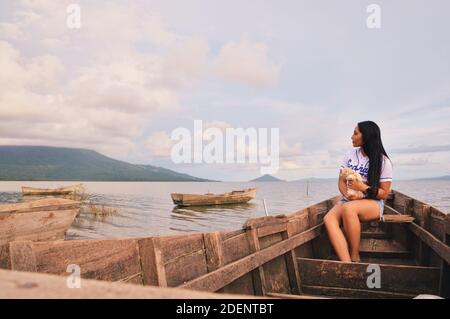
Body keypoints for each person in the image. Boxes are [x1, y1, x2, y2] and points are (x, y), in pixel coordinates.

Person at [323, 121, 393, 262]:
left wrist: (362, 187)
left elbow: (384, 193)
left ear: (366, 136)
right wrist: (347, 195)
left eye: (355, 133)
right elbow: (341, 181)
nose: (351, 137)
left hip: (373, 203)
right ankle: (346, 263)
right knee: (328, 219)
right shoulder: (350, 155)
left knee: (348, 209)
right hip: (350, 199)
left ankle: (355, 256)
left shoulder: (383, 161)